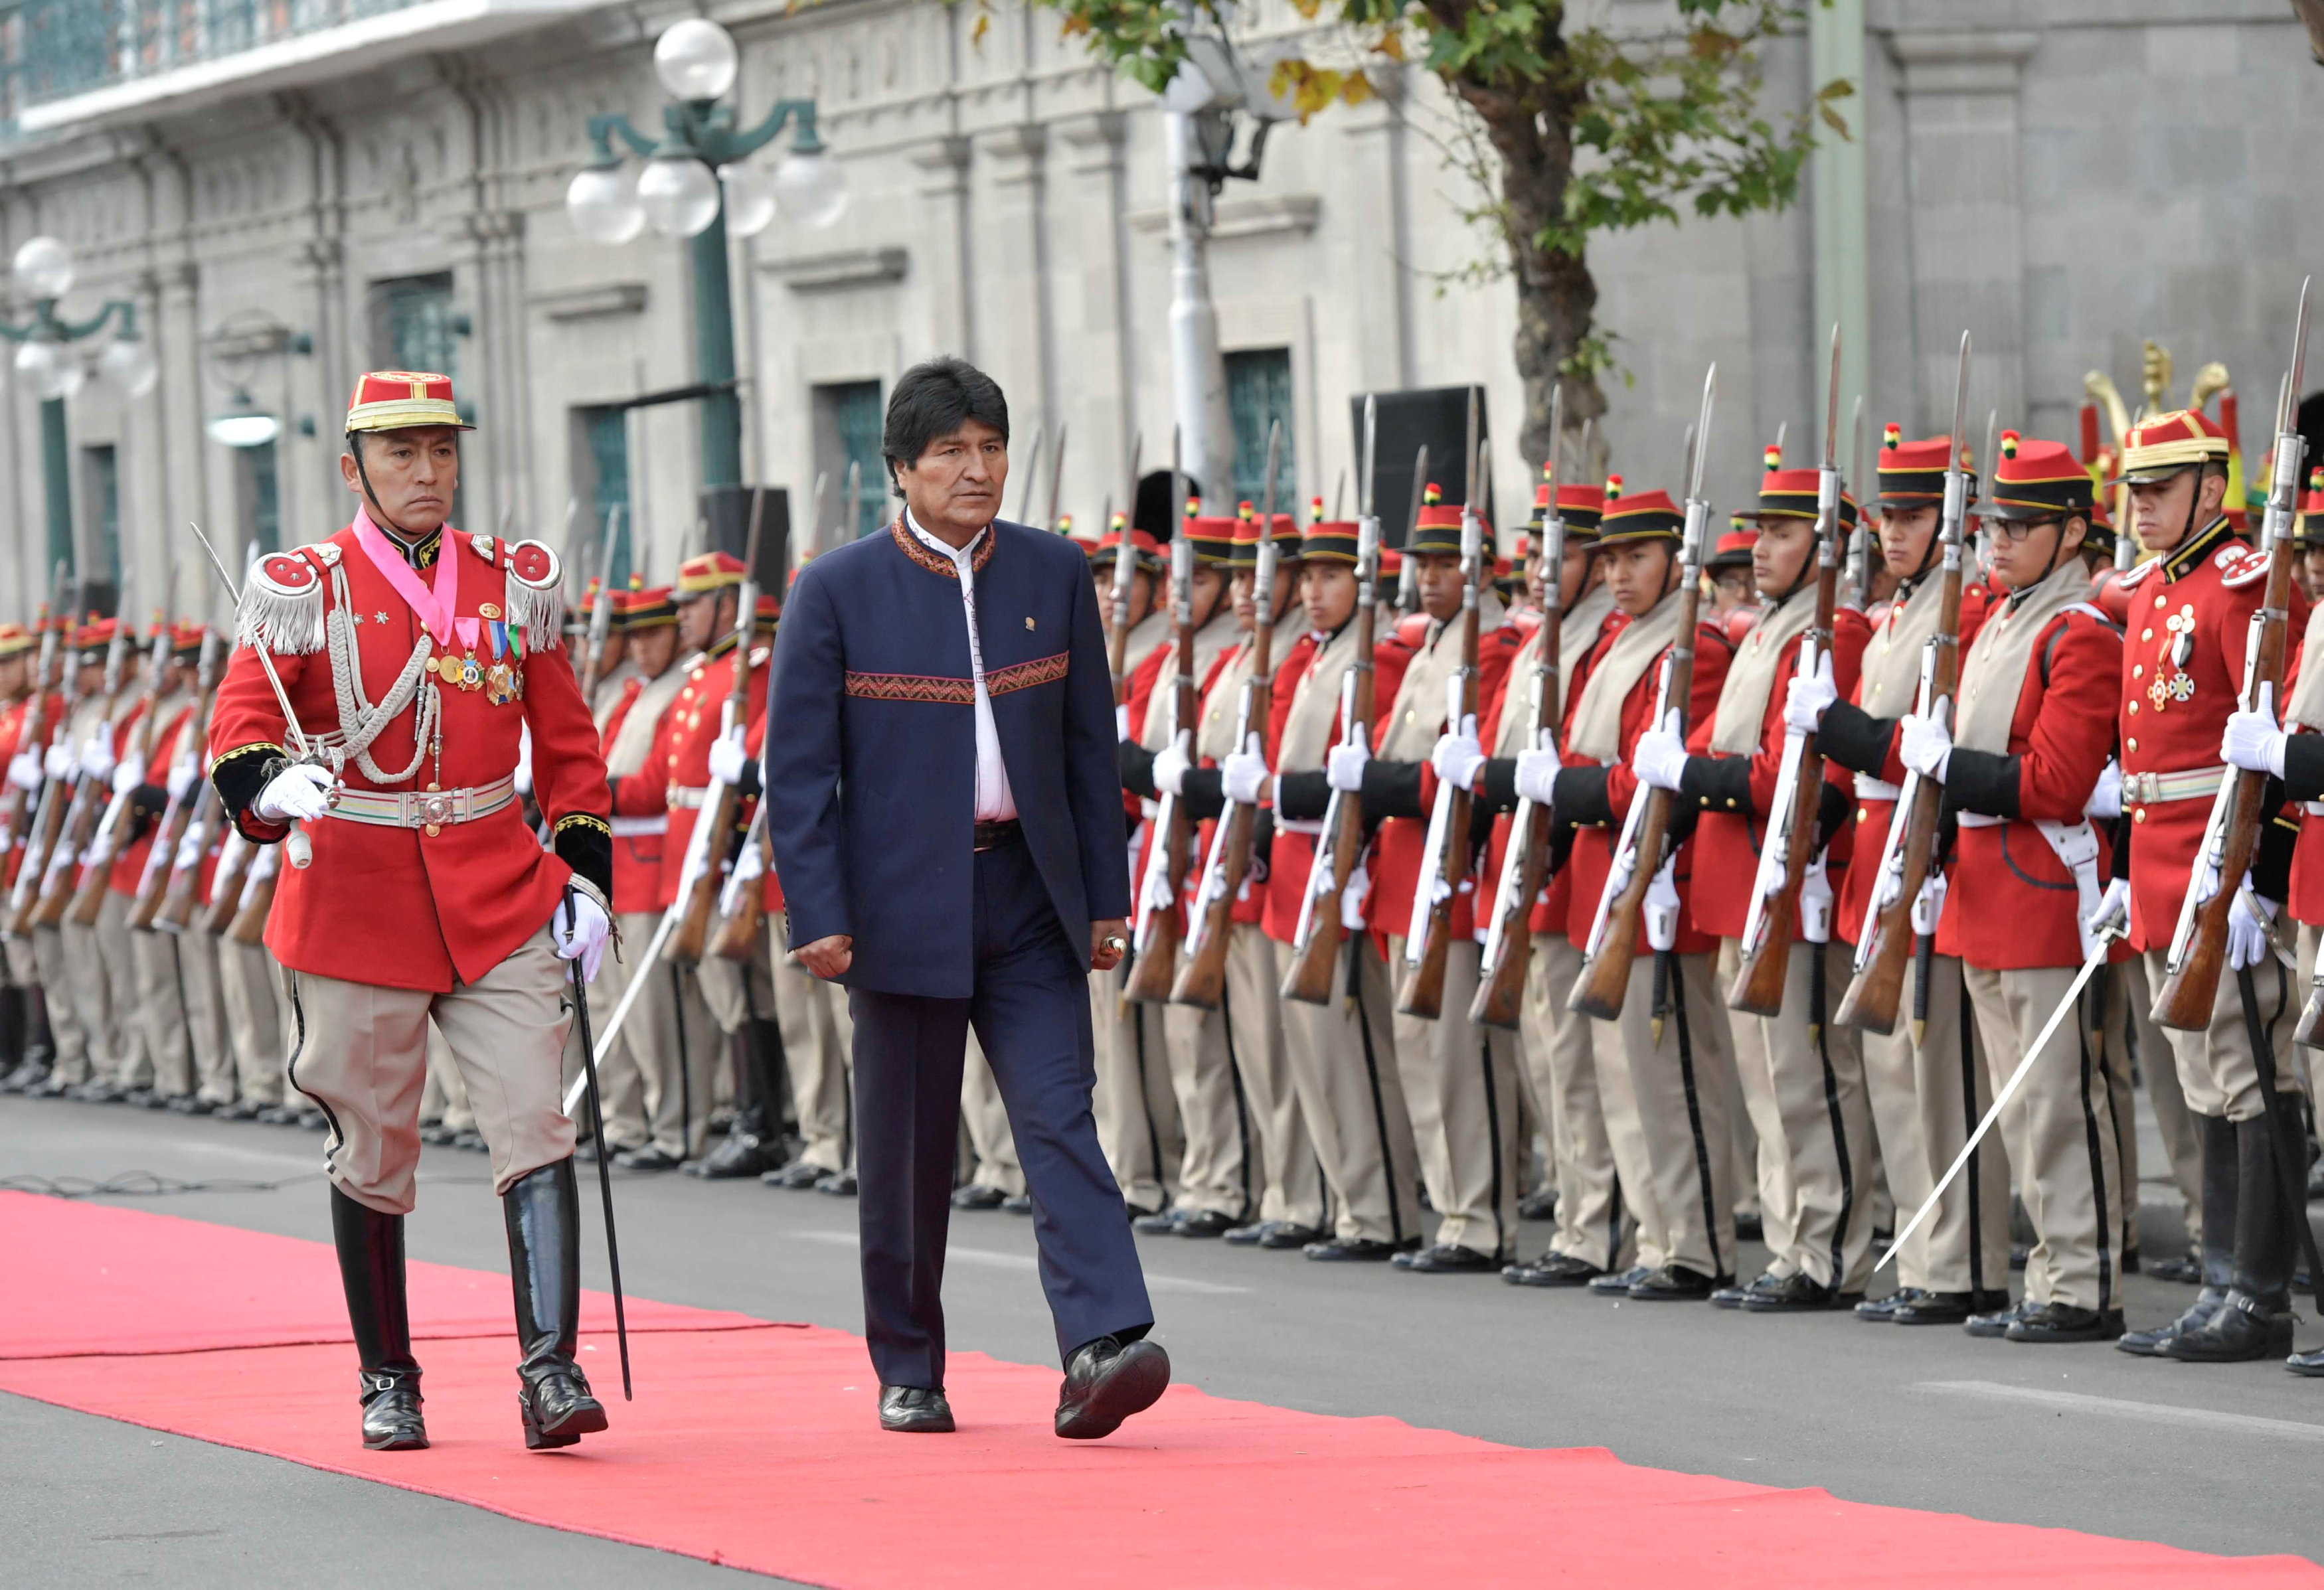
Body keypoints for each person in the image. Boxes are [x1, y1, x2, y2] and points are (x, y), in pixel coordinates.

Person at [207, 370, 616, 1454]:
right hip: (357, 899)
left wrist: (585, 876)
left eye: (441, 452)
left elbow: (568, 745)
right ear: (354, 469)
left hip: (498, 889)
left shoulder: (508, 582)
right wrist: (266, 787)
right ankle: (388, 1379)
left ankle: (550, 1370)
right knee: (375, 1150)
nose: (427, 473)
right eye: (402, 454)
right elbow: (241, 724)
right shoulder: (306, 587)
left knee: (536, 1118)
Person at [764, 356, 1167, 1440]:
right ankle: (908, 1364)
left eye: (990, 447)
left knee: (1058, 1117)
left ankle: (1102, 1345)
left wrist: (1103, 896)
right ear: (900, 469)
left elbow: (1091, 751)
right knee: (907, 1154)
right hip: (898, 912)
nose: (976, 469)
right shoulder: (835, 590)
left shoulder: (1051, 573)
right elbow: (796, 774)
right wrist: (820, 912)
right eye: (950, 452)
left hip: (1030, 898)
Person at [1890, 433, 2130, 1341]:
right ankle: (2050, 1273)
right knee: (2016, 1104)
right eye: (1993, 522)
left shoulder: (2078, 632)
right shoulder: (2001, 618)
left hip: (2039, 882)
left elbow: (2055, 781)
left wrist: (1951, 766)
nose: (1997, 538)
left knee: (2057, 1097)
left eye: (2020, 524)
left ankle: (2084, 1280)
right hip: (1982, 887)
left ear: (2072, 533)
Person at [2097, 407, 2305, 1364]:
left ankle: (2259, 1296)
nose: (2140, 507)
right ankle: (2220, 1280)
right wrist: (2120, 872)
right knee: (2201, 1083)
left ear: (2211, 490)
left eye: (2160, 490)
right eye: (2133, 490)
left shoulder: (2241, 588)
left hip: (2220, 868)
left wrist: (2263, 882)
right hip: (2161, 865)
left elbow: (2276, 751)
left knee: (2251, 1076)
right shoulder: (2153, 588)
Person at [1657, 453, 1873, 1312]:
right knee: (1767, 1081)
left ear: (1828, 546)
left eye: (1782, 534)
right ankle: (1791, 1239)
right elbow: (1720, 745)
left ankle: (1826, 1249)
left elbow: (1783, 776)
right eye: (1762, 532)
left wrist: (1699, 770)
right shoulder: (1766, 633)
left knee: (1806, 1074)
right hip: (1737, 881)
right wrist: (1690, 762)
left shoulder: (1836, 633)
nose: (1758, 548)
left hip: (1783, 875)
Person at [1804, 429, 2005, 1326]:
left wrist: (1846, 731)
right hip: (1882, 860)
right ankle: (1927, 1257)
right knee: (1894, 1073)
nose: (1893, 529)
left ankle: (1965, 1262)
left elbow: (1938, 748)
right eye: (1887, 513)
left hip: (1929, 856)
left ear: (1950, 519)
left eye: (1913, 513)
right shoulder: (1899, 609)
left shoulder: (1967, 607)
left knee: (1942, 1082)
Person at [1549, 481, 1740, 1301]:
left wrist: (1575, 789)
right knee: (1623, 1077)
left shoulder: (1688, 652)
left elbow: (1646, 781)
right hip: (1602, 877)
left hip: (1656, 877)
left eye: (1638, 557)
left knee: (1671, 1078)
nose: (1620, 573)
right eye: (1612, 559)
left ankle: (1695, 1243)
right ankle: (1655, 1235)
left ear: (1673, 560)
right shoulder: (1617, 645)